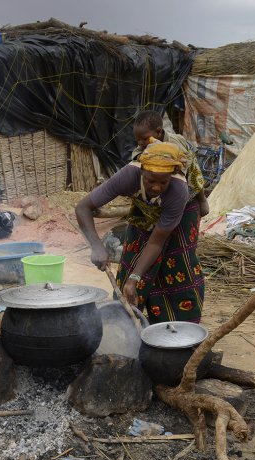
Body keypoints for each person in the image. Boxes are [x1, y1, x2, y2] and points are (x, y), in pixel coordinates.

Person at [75, 141, 205, 324]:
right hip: (143, 210)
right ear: (141, 171)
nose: (157, 187)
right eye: (150, 180)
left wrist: (134, 279)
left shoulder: (178, 190)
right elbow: (83, 208)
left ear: (172, 176)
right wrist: (97, 247)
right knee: (133, 260)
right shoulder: (128, 176)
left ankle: (178, 328)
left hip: (181, 214)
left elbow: (156, 242)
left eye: (163, 182)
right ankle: (127, 321)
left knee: (177, 266)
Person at [131, 110, 209, 217]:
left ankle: (202, 199)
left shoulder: (173, 141)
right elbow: (136, 152)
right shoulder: (144, 144)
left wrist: (176, 168)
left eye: (144, 139)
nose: (140, 143)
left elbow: (185, 160)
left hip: (184, 162)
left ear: (158, 132)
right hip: (163, 169)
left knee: (194, 178)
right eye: (138, 140)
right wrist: (141, 157)